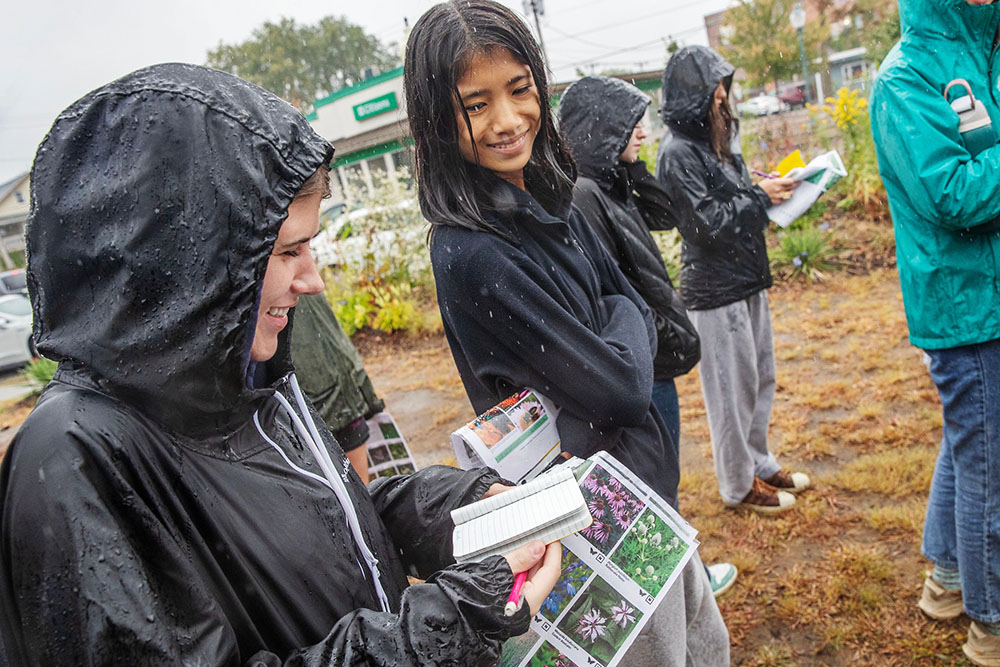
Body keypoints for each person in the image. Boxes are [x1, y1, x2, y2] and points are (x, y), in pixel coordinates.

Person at [0, 63, 561, 666]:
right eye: (289, 251)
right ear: (190, 265)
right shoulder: (76, 457)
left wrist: (464, 502)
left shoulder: (247, 382)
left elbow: (332, 520)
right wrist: (441, 628)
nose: (313, 281)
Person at [404, 3, 730, 664]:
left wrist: (620, 319)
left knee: (703, 641)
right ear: (439, 119)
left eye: (520, 89)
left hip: (639, 487)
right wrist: (625, 319)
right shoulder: (474, 251)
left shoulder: (553, 198)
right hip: (588, 519)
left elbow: (624, 302)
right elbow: (617, 392)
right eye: (476, 103)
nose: (507, 120)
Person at [557, 75, 736, 598]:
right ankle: (683, 591)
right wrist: (654, 337)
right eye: (628, 125)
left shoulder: (610, 184)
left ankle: (686, 585)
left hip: (650, 354)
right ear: (600, 130)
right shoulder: (584, 195)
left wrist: (629, 165)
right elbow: (609, 292)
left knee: (662, 481)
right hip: (642, 362)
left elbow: (666, 212)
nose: (642, 132)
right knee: (655, 486)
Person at [869, 0, 1000, 663]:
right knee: (990, 465)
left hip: (989, 295)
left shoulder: (986, 50)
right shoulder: (906, 77)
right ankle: (991, 620)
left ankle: (949, 580)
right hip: (964, 306)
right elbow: (952, 194)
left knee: (970, 443)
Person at [656, 46, 810, 515]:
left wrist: (772, 188)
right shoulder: (677, 153)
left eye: (725, 84)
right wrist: (760, 199)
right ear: (696, 92)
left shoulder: (713, 143)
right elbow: (705, 225)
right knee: (730, 395)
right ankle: (738, 486)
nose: (725, 95)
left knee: (760, 382)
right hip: (715, 290)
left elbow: (735, 203)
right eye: (717, 86)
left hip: (746, 280)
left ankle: (758, 463)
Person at [291, 292, 386, 481]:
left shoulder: (304, 285)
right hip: (315, 407)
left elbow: (329, 330)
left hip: (342, 400)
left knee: (362, 497)